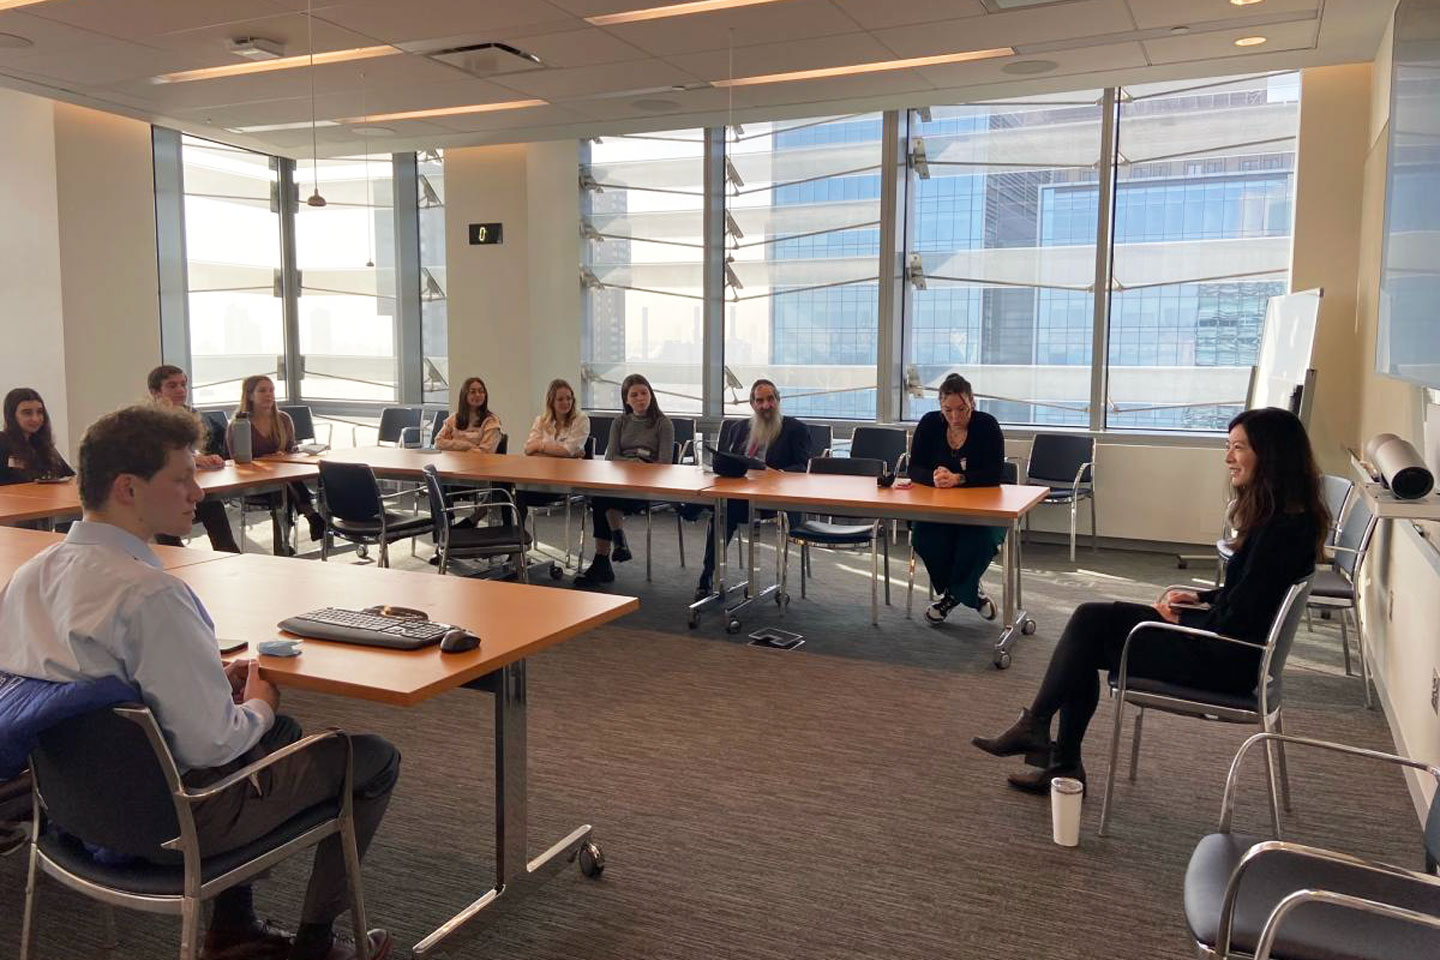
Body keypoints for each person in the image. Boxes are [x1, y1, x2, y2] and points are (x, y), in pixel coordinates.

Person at [0, 405, 397, 960]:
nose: (198, 492)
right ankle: (315, 944)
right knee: (368, 756)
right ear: (128, 489)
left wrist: (208, 683)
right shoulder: (150, 595)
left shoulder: (27, 579)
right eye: (181, 478)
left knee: (278, 734)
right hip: (173, 825)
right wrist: (255, 703)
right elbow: (207, 743)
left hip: (74, 815)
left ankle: (234, 927)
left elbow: (80, 691)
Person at [972, 407, 1327, 793]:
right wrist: (1202, 596)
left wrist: (1178, 620)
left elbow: (1238, 622)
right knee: (1088, 632)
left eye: (1238, 448)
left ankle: (1047, 740)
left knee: (1089, 625)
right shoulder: (1288, 520)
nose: (1228, 458)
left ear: (1270, 454)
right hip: (1228, 649)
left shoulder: (1280, 532)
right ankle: (1054, 752)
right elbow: (1253, 594)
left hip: (1224, 660)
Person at [693, 379, 811, 601]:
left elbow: (803, 467)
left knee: (722, 512)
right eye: (760, 401)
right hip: (740, 495)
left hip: (774, 500)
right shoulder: (739, 429)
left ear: (778, 400)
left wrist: (774, 472)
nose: (765, 405)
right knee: (722, 513)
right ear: (752, 404)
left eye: (770, 399)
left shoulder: (795, 429)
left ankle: (691, 509)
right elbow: (728, 460)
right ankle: (707, 576)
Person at [907, 374, 1007, 624]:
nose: (954, 417)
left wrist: (958, 479)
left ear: (972, 402)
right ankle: (972, 593)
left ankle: (952, 596)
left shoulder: (987, 425)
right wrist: (933, 477)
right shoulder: (930, 423)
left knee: (979, 540)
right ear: (940, 406)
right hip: (938, 507)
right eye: (947, 410)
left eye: (961, 409)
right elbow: (913, 468)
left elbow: (995, 474)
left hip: (983, 508)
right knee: (924, 537)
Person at [575, 374, 673, 587]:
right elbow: (611, 457)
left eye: (644, 393)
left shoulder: (662, 423)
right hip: (620, 480)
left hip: (647, 486)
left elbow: (665, 462)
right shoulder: (620, 422)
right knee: (601, 496)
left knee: (604, 500)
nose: (640, 398)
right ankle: (612, 549)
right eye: (634, 395)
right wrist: (633, 462)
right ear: (626, 400)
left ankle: (605, 557)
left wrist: (640, 465)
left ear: (651, 395)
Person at [146, 364, 241, 554]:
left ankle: (229, 555)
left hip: (186, 485)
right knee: (165, 511)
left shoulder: (191, 414)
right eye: (172, 386)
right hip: (157, 491)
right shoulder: (146, 420)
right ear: (155, 392)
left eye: (183, 385)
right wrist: (194, 459)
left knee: (212, 503)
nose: (180, 390)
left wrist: (205, 458)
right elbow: (154, 456)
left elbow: (191, 449)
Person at [227, 374, 327, 552]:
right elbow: (236, 459)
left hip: (283, 479)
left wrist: (289, 453)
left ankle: (283, 543)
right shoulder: (240, 424)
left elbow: (291, 448)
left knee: (284, 486)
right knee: (283, 486)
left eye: (271, 390)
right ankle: (310, 515)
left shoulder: (283, 419)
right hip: (255, 482)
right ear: (250, 395)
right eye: (262, 391)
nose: (269, 395)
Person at [517, 378, 591, 528]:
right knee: (516, 491)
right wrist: (563, 453)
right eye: (560, 399)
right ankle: (518, 537)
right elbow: (528, 449)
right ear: (551, 402)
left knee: (519, 493)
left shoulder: (581, 419)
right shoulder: (541, 420)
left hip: (566, 480)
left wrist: (540, 446)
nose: (566, 403)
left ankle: (517, 537)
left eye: (569, 398)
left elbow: (567, 450)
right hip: (541, 477)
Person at [0, 387, 74, 485]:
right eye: (27, 413)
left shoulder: (43, 445)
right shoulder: (2, 443)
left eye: (39, 412)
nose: (35, 419)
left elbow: (69, 476)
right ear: (12, 416)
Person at [435, 377, 502, 453]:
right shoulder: (454, 418)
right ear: (464, 395)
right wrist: (467, 445)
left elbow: (486, 451)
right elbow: (438, 443)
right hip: (454, 462)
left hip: (480, 463)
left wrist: (453, 446)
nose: (477, 395)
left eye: (481, 391)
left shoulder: (491, 421)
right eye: (472, 392)